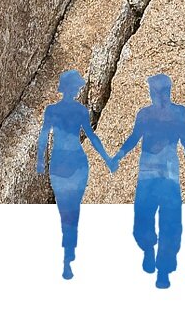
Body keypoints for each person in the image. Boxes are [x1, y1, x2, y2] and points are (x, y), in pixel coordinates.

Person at [111, 73, 185, 289]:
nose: (157, 95)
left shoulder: (181, 115)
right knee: (142, 218)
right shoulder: (145, 115)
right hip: (148, 173)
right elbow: (134, 138)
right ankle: (149, 248)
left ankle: (163, 269)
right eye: (154, 91)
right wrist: (118, 156)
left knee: (170, 223)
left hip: (169, 175)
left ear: (168, 91)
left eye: (160, 91)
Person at [35, 70, 114, 279]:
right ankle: (68, 257)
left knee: (68, 212)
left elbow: (46, 138)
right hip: (71, 162)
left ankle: (68, 258)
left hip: (66, 163)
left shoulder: (57, 110)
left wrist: (41, 163)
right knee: (70, 212)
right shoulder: (73, 110)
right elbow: (90, 136)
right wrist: (40, 162)